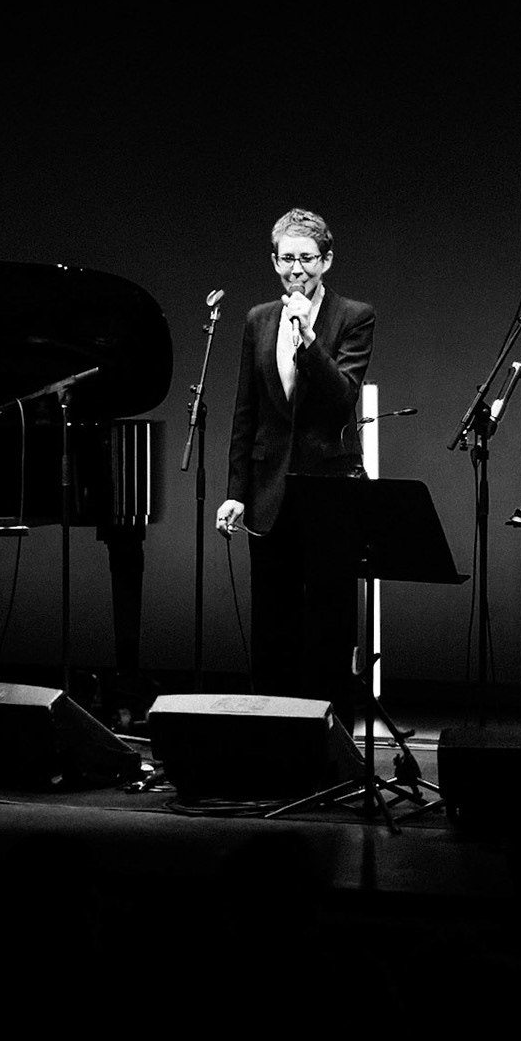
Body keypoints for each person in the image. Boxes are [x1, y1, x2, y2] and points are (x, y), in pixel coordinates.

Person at [216, 208, 376, 731]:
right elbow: (247, 411)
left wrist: (308, 340)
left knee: (328, 625)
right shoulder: (258, 319)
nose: (296, 269)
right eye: (287, 258)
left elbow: (340, 400)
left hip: (327, 491)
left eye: (307, 258)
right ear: (274, 261)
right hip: (267, 490)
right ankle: (274, 739)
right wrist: (235, 489)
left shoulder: (353, 316)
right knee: (273, 625)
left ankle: (332, 747)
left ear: (326, 261)